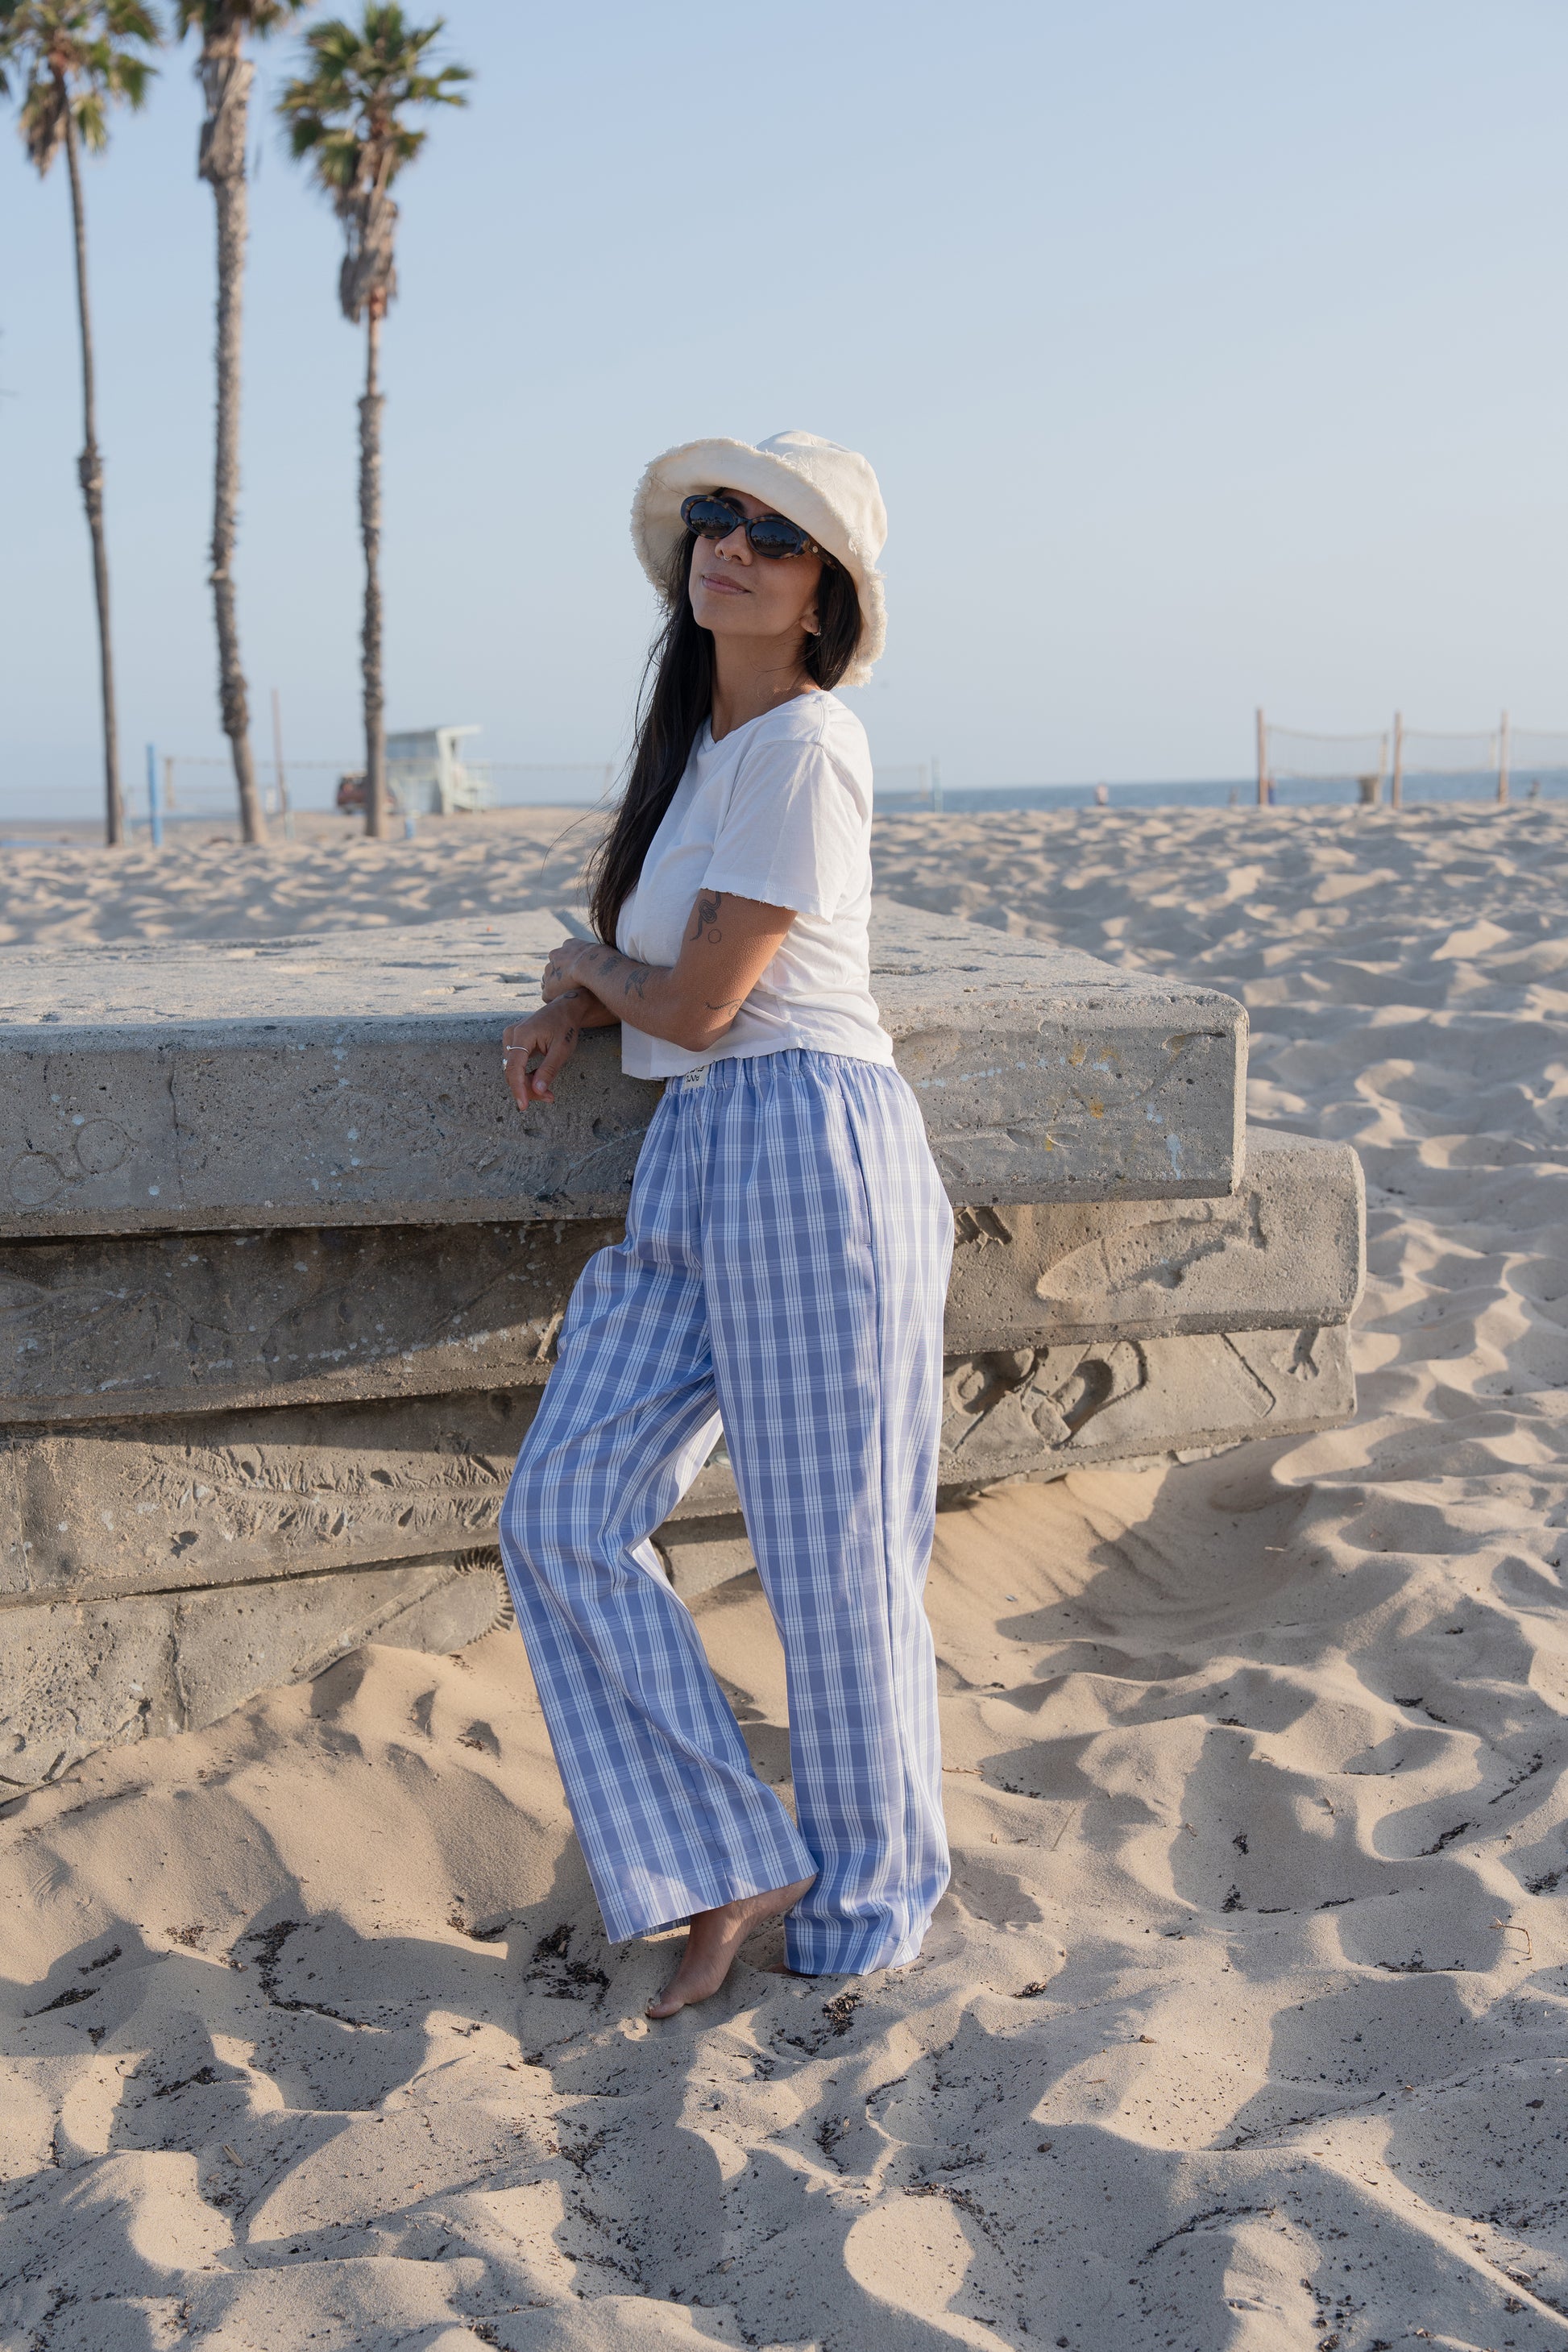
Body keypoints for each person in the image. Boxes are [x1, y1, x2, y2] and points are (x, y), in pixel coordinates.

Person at [497, 430, 953, 2018]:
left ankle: (867, 1913)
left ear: (824, 591)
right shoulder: (706, 754)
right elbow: (668, 1008)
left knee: (835, 1561)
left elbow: (695, 998)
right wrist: (585, 992)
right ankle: (725, 1844)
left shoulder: (814, 742)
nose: (731, 546)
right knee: (558, 1509)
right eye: (715, 518)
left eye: (774, 532)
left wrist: (587, 974)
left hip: (813, 1148)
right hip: (697, 1154)